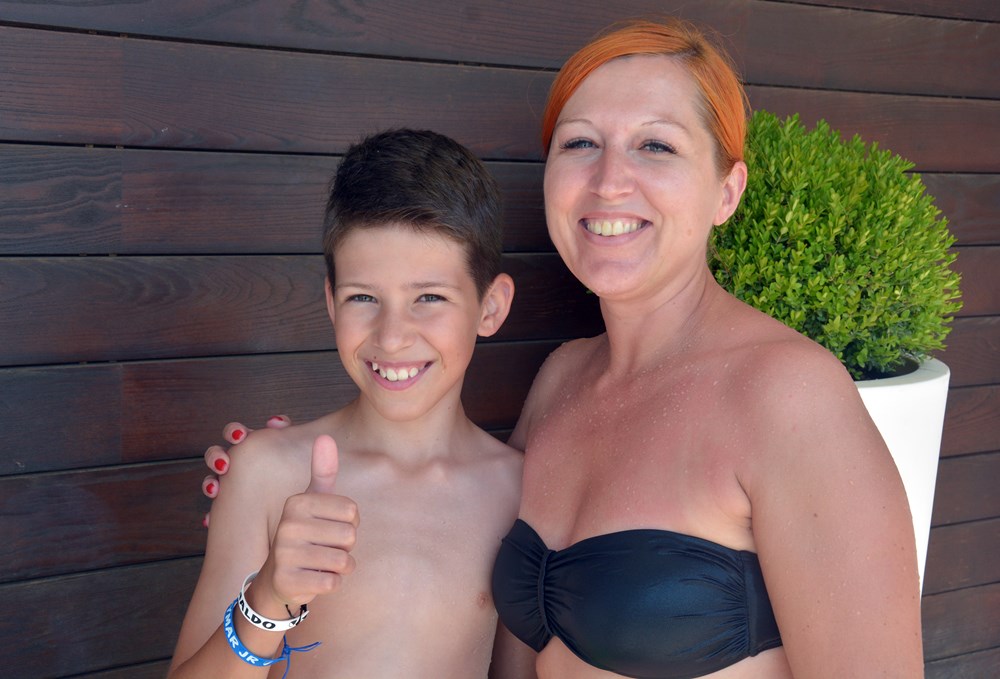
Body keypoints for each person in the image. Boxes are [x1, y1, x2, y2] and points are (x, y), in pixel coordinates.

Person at [202, 18, 925, 678]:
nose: (609, 181)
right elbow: (445, 525)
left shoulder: (790, 394)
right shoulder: (562, 382)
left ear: (726, 191)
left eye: (656, 145)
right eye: (581, 143)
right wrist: (271, 486)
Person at [169, 128, 521, 678]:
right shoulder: (268, 471)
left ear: (490, 306)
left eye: (429, 297)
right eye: (364, 298)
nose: (392, 336)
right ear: (332, 303)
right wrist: (268, 599)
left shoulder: (518, 492)